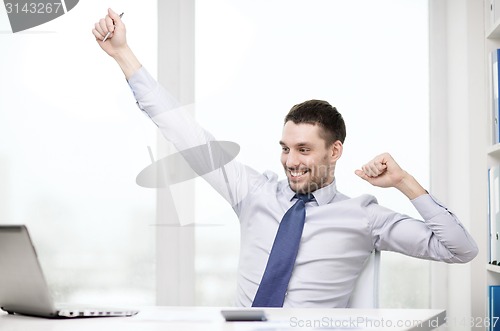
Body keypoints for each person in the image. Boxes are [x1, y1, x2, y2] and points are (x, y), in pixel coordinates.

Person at [92, 9, 478, 308]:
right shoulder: (253, 192)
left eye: (304, 150)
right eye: (285, 148)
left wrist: (404, 183)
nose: (290, 161)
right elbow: (183, 131)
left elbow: (461, 250)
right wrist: (123, 54)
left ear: (335, 151)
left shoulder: (365, 216)